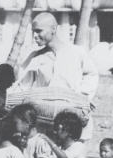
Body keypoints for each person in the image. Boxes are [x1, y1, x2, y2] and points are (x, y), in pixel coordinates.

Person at [19, 12, 99, 141]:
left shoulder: (76, 52)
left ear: (53, 29)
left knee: (69, 155)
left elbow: (91, 74)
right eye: (33, 32)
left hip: (71, 117)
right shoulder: (34, 57)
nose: (35, 36)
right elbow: (23, 85)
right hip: (44, 119)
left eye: (39, 31)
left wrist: (83, 96)